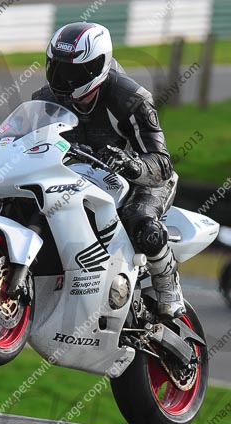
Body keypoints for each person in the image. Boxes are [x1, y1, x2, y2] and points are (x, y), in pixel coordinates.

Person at [32, 22, 184, 318]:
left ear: (97, 67)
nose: (63, 81)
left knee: (141, 222)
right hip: (81, 177)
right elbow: (23, 140)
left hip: (141, 179)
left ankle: (168, 286)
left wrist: (132, 164)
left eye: (73, 72)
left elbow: (162, 163)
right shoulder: (45, 99)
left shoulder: (130, 98)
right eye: (57, 68)